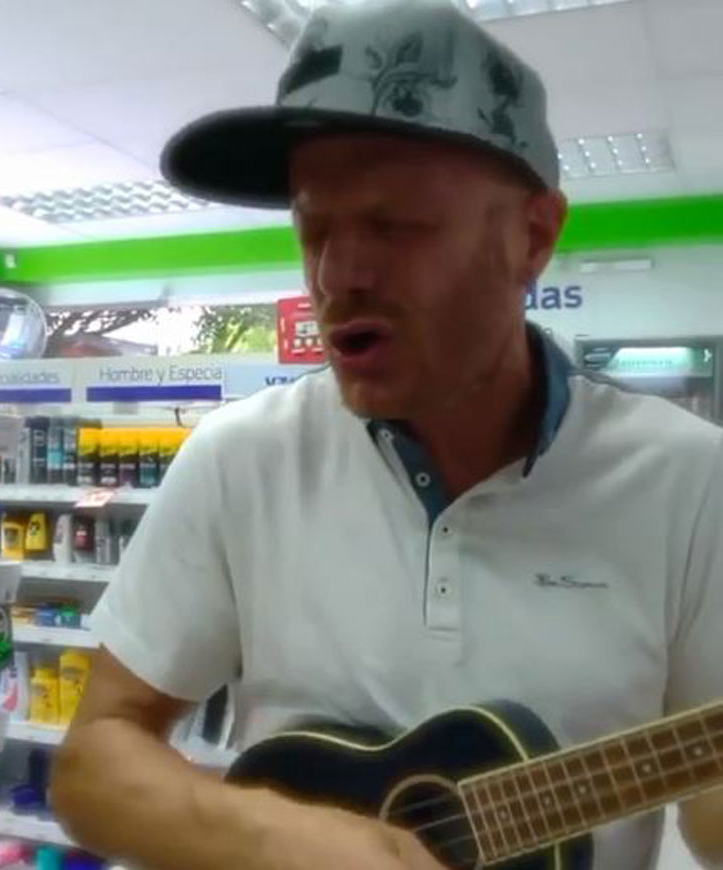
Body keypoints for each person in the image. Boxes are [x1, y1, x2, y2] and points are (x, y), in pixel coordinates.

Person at [51, 2, 723, 869]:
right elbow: (93, 761)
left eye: (395, 226)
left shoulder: (690, 481)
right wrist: (281, 842)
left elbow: (707, 811)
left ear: (532, 237)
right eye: (313, 230)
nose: (338, 277)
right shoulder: (239, 460)